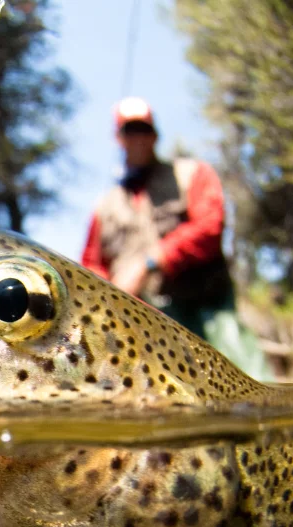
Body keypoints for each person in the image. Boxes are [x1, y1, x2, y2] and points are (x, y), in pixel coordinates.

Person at [81, 96, 272, 381]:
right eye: (130, 131)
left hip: (208, 311)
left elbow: (210, 227)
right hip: (145, 329)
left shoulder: (192, 174)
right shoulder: (104, 207)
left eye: (143, 130)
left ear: (155, 135)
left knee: (249, 383)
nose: (138, 138)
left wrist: (151, 261)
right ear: (119, 138)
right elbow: (91, 264)